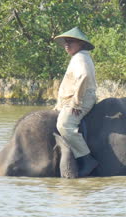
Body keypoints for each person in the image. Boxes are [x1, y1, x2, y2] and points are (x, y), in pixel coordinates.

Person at [53, 27, 98, 177]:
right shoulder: (79, 57)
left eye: (70, 42)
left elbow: (83, 76)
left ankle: (86, 159)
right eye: (66, 42)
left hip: (82, 98)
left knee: (64, 125)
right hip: (75, 98)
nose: (67, 45)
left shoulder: (80, 58)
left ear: (80, 44)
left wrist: (76, 102)